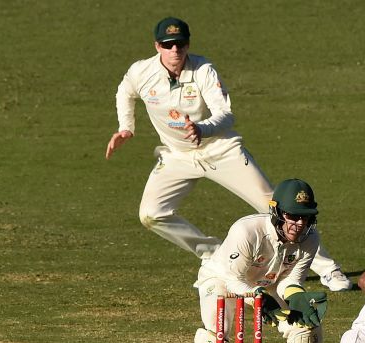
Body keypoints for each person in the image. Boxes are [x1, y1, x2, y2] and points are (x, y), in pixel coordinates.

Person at [105, 16, 351, 291]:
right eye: (168, 44)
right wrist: (126, 127)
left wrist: (202, 129)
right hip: (178, 155)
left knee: (277, 207)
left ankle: (329, 270)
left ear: (188, 45)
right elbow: (125, 91)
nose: (175, 51)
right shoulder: (142, 72)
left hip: (220, 149)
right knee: (151, 214)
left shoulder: (203, 70)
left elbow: (225, 115)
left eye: (180, 44)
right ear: (157, 46)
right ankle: (212, 253)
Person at [181, 179, 327, 343]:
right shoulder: (247, 231)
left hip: (267, 284)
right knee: (216, 334)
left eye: (306, 217)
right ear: (277, 212)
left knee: (306, 329)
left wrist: (295, 297)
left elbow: (291, 278)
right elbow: (233, 278)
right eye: (293, 216)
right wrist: (258, 296)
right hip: (222, 280)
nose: (299, 224)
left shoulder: (310, 239)